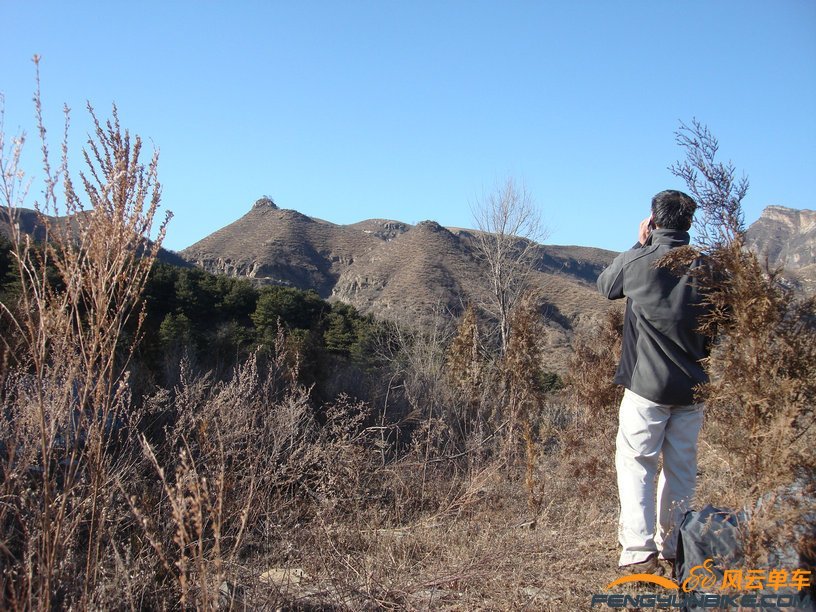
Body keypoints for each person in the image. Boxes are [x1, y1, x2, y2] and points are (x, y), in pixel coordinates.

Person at [597, 190, 710, 574]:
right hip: (693, 387)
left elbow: (606, 286)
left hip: (646, 387)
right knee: (681, 469)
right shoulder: (710, 270)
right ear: (689, 223)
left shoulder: (638, 260)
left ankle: (638, 552)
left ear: (653, 219)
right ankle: (674, 547)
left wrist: (638, 242)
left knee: (637, 465)